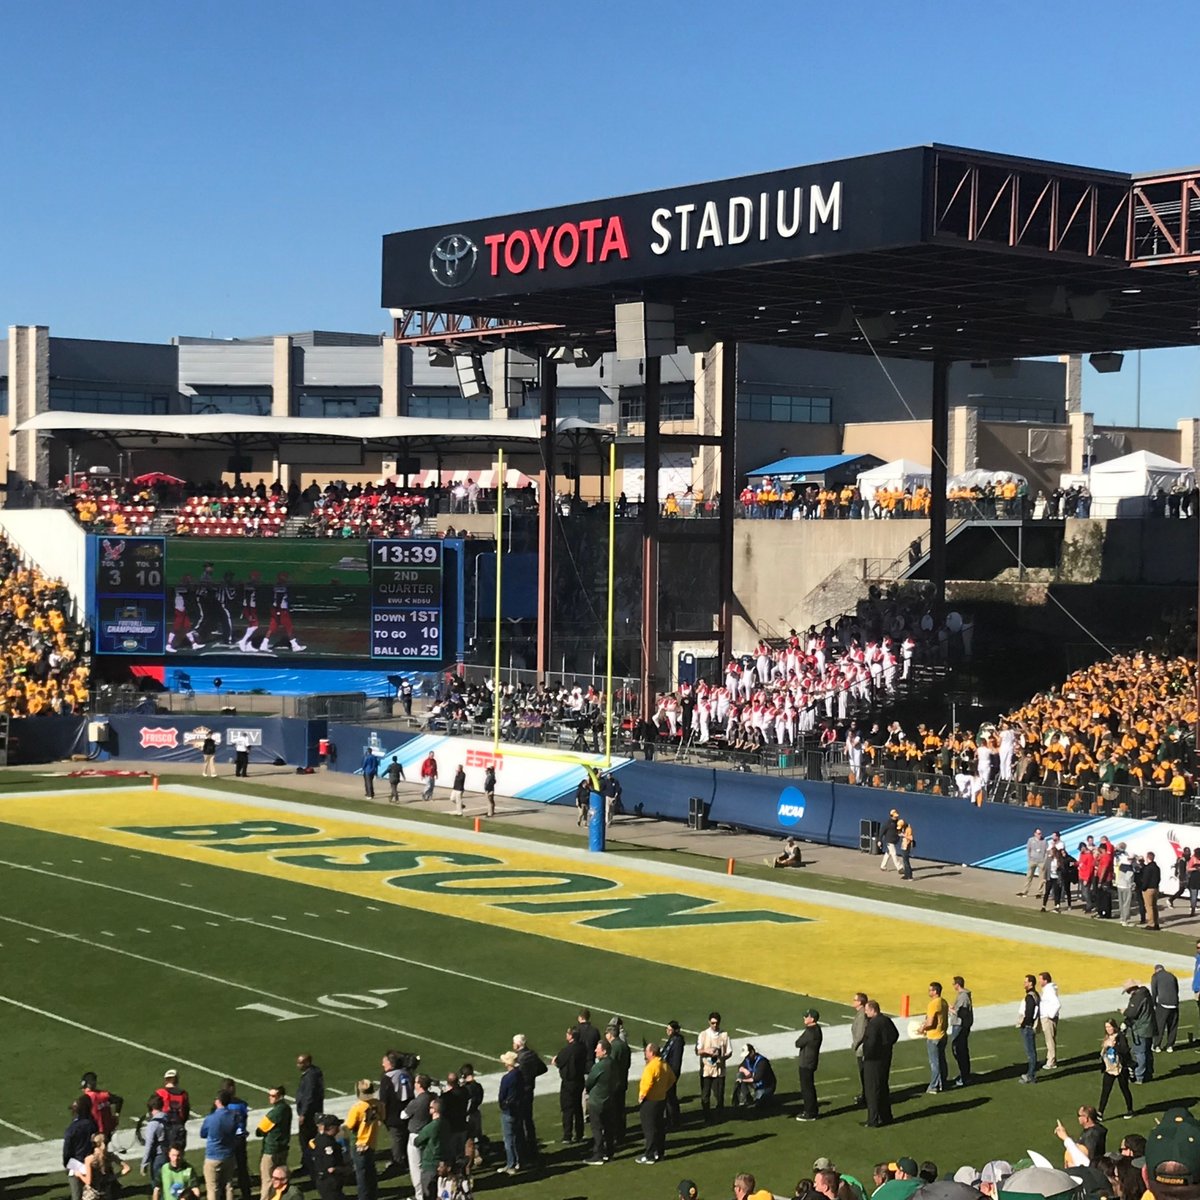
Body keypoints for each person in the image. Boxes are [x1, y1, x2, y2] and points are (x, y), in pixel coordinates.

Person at [636, 1042, 676, 1163]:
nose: (645, 1053)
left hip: (650, 1101)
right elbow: (672, 1079)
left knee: (649, 1129)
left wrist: (642, 1095)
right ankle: (660, 1152)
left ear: (652, 1053)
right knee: (659, 1128)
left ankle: (649, 1155)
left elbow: (648, 1083)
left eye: (646, 1051)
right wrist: (663, 1089)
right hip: (661, 1099)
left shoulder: (652, 1066)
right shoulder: (664, 1064)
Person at [861, 999, 898, 1127]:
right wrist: (886, 1047)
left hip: (873, 1061)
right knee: (883, 1087)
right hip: (885, 1058)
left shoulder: (873, 1024)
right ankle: (886, 1116)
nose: (865, 1013)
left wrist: (868, 1055)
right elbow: (895, 1035)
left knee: (872, 1090)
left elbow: (870, 1043)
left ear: (872, 1010)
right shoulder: (886, 1020)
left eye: (866, 1010)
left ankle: (873, 1119)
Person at [343, 1080, 381, 1200]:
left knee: (362, 1176)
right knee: (371, 1173)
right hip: (372, 1142)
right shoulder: (378, 1104)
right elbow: (382, 1117)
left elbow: (349, 1125)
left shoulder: (358, 1107)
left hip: (359, 1143)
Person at [513, 1032, 547, 1162]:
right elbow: (543, 1068)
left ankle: (525, 1149)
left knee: (521, 1120)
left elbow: (516, 1076)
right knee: (528, 1119)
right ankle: (532, 1146)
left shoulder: (520, 1058)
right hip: (530, 1089)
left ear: (517, 1044)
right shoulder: (532, 1054)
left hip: (521, 1091)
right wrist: (532, 1076)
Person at [551, 1026, 587, 1144]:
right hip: (579, 1080)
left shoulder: (567, 1050)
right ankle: (579, 1134)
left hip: (569, 1082)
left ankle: (567, 1135)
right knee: (577, 1108)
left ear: (571, 1036)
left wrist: (555, 1062)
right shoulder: (582, 1047)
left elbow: (559, 1062)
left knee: (567, 1109)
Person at [255, 1087, 292, 1200]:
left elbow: (259, 1131)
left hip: (271, 1150)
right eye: (269, 1095)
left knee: (268, 1180)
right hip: (283, 1147)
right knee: (281, 1178)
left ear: (280, 1096)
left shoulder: (275, 1112)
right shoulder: (287, 1108)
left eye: (273, 1096)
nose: (270, 1098)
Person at [695, 1010, 732, 1122]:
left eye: (716, 1023)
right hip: (706, 1070)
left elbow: (729, 1052)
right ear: (709, 1022)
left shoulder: (724, 1035)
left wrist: (721, 1057)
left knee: (719, 1095)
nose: (715, 1025)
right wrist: (708, 1051)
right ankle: (707, 1117)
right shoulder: (703, 1035)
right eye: (712, 1023)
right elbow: (698, 1051)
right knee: (705, 1096)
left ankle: (719, 1115)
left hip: (719, 1071)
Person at [200, 1090, 237, 1200]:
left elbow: (203, 1133)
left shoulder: (211, 1118)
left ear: (218, 1101)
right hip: (228, 1155)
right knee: (228, 1185)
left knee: (212, 1188)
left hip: (213, 1156)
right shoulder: (233, 1116)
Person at [584, 1041, 614, 1166]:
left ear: (604, 1051)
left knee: (597, 1128)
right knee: (608, 1128)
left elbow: (589, 1082)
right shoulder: (613, 1063)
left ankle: (598, 1154)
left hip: (597, 1101)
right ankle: (609, 1152)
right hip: (609, 1099)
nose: (596, 1051)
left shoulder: (599, 1066)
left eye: (598, 1049)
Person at [1098, 1018, 1135, 1120]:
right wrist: (1105, 1047)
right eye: (1106, 1027)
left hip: (1120, 1068)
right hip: (1109, 1068)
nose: (1108, 1029)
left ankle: (1130, 1110)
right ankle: (1100, 1112)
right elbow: (1102, 1053)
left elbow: (1125, 1050)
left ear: (1114, 1026)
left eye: (1109, 1026)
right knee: (1105, 1091)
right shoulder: (1107, 1037)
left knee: (1124, 1089)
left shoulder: (1121, 1037)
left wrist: (1114, 1046)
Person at [295, 1055, 324, 1181]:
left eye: (300, 1063)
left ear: (307, 1063)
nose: (298, 1065)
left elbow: (309, 1096)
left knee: (306, 1140)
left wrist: (304, 1114)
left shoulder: (311, 1076)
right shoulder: (313, 1073)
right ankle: (308, 1163)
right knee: (310, 1139)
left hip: (309, 1114)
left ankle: (310, 1166)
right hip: (313, 1113)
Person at [1123, 978, 1157, 1083]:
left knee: (1139, 1053)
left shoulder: (1137, 997)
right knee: (1147, 1052)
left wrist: (1124, 1012)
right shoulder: (1145, 994)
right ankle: (1148, 1073)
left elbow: (1132, 1014)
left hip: (1140, 1028)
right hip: (1149, 1027)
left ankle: (1139, 1076)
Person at [496, 1051, 525, 1174]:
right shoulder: (519, 1075)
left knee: (508, 1139)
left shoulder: (507, 1078)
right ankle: (518, 1161)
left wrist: (503, 1105)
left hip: (509, 1110)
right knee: (517, 1137)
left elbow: (502, 1095)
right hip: (518, 1108)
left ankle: (511, 1164)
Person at [64, 1098, 99, 1200]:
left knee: (77, 1196)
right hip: (91, 1162)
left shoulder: (72, 1129)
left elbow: (67, 1150)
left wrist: (67, 1164)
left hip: (76, 1164)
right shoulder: (92, 1124)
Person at [918, 982, 949, 1093]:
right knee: (942, 1060)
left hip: (934, 1036)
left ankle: (934, 1085)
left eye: (930, 990)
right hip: (942, 1034)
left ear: (935, 991)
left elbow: (930, 1022)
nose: (929, 992)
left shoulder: (933, 1004)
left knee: (934, 1062)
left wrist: (922, 1029)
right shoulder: (944, 1002)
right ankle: (943, 1082)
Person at [412, 1097, 445, 1200]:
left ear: (434, 1110)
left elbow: (417, 1141)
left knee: (428, 1193)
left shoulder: (431, 1127)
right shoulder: (447, 1124)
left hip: (430, 1164)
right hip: (443, 1163)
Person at [81, 1131, 130, 1200]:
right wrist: (113, 1177)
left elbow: (88, 1181)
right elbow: (127, 1168)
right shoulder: (110, 1156)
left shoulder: (89, 1159)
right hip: (106, 1191)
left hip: (92, 1193)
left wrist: (78, 1174)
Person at [794, 1008, 822, 1121]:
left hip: (806, 1062)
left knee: (807, 1088)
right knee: (809, 1087)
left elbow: (798, 1043)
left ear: (812, 1018)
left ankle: (810, 1112)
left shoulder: (810, 1031)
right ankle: (812, 1110)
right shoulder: (816, 1030)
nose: (804, 1018)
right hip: (810, 1061)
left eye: (807, 1016)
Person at [309, 1115, 345, 1200]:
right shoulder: (328, 1143)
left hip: (321, 1179)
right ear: (331, 1128)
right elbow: (330, 1166)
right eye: (337, 1126)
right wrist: (344, 1169)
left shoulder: (319, 1139)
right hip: (329, 1180)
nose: (339, 1129)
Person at [731, 1044, 776, 1110]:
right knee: (740, 1074)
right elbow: (740, 1066)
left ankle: (768, 1098)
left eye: (748, 1055)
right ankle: (748, 1098)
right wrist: (743, 1069)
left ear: (752, 1052)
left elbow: (757, 1079)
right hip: (756, 1084)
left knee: (760, 1105)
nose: (747, 1058)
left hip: (766, 1085)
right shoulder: (748, 1059)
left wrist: (742, 1080)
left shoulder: (762, 1062)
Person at [81, 1072, 123, 1141]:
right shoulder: (105, 1095)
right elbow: (119, 1100)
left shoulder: (87, 1098)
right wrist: (116, 1115)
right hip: (108, 1130)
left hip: (95, 1132)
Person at [949, 976, 973, 1086]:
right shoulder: (963, 996)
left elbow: (961, 1013)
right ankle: (964, 1074)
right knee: (960, 1050)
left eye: (953, 984)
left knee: (959, 1050)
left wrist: (950, 1009)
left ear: (957, 985)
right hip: (960, 1025)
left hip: (960, 1026)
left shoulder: (963, 997)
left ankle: (964, 1076)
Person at [661, 1020, 686, 1130]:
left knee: (670, 1098)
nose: (667, 1031)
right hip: (667, 1072)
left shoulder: (677, 1041)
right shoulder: (672, 1040)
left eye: (669, 1029)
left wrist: (671, 1075)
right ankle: (671, 1119)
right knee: (668, 1097)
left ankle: (674, 1121)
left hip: (671, 1073)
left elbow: (675, 1060)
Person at [1017, 973, 1040, 1083]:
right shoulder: (1035, 995)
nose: (1024, 984)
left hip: (1028, 1027)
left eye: (1026, 982)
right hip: (1030, 1026)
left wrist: (1023, 1024)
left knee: (1030, 1052)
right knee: (1031, 1052)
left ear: (1031, 983)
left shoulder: (1030, 997)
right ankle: (1031, 1073)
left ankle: (1030, 1074)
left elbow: (1029, 1014)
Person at [1153, 964, 1181, 1053]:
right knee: (1173, 1026)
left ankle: (1157, 1045)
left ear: (1156, 970)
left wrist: (1154, 1003)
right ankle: (1170, 1046)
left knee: (1159, 1025)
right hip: (1174, 1003)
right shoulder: (1172, 975)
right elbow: (1176, 989)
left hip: (1163, 1004)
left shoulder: (1156, 976)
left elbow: (1154, 991)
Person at [1038, 971, 1061, 1070]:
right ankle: (1050, 1058)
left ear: (1045, 980)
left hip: (1048, 1018)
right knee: (1050, 1039)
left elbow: (1057, 1004)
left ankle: (1051, 1061)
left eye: (1041, 979)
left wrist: (1049, 1015)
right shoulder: (1049, 989)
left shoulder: (1049, 990)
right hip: (1048, 1017)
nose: (1039, 982)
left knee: (1049, 1040)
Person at [1019, 828, 1047, 896]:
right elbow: (1028, 850)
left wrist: (1045, 861)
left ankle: (1039, 892)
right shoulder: (1031, 840)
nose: (1040, 835)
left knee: (1042, 878)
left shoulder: (1044, 841)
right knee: (1029, 876)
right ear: (1035, 834)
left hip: (1041, 861)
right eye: (1038, 833)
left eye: (1040, 833)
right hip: (1032, 861)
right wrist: (1029, 859)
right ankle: (1025, 891)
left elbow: (1046, 851)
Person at [1142, 850, 1163, 931]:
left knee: (1149, 907)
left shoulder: (1148, 868)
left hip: (1149, 889)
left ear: (1148, 858)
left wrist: (1143, 888)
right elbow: (1158, 878)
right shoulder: (1157, 868)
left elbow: (1146, 880)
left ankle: (1151, 924)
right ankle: (1156, 923)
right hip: (1155, 888)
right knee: (1154, 906)